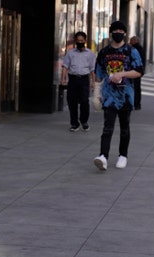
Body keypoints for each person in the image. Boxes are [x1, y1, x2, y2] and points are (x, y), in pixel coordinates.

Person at [93, 21, 143, 171]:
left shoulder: (131, 51)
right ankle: (103, 156)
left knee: (124, 127)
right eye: (116, 30)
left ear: (125, 33)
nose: (118, 32)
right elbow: (98, 75)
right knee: (107, 127)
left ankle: (123, 155)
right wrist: (96, 93)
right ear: (111, 32)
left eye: (121, 30)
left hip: (126, 95)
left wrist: (122, 74)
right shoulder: (104, 52)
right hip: (109, 96)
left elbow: (139, 71)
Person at [61, 31, 96, 131]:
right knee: (72, 102)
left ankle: (84, 121)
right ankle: (74, 123)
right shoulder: (70, 53)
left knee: (85, 101)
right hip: (73, 80)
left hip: (84, 79)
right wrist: (63, 79)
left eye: (82, 40)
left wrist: (93, 82)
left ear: (85, 40)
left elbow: (92, 69)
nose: (80, 42)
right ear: (75, 41)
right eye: (78, 40)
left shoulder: (90, 54)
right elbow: (65, 66)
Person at [129, 36, 146, 110]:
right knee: (137, 87)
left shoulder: (134, 49)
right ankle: (137, 104)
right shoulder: (140, 48)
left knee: (134, 86)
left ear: (135, 41)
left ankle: (134, 102)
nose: (129, 42)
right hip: (138, 70)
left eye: (131, 41)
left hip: (134, 69)